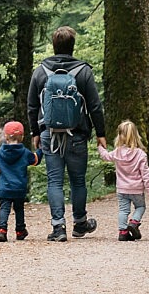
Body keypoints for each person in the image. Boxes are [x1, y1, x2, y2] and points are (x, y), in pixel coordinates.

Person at [25, 25, 107, 240]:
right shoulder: (83, 71)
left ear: (54, 46)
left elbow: (32, 105)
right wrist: (101, 133)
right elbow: (95, 106)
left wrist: (35, 131)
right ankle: (80, 224)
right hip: (78, 133)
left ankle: (58, 227)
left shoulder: (41, 71)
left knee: (54, 181)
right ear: (72, 46)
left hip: (49, 133)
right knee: (77, 180)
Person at [97, 120, 149, 240]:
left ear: (120, 137)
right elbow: (145, 173)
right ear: (136, 136)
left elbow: (106, 156)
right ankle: (134, 222)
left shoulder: (117, 152)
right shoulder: (140, 154)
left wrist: (100, 147)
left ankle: (123, 232)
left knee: (123, 210)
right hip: (136, 189)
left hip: (122, 189)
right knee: (140, 207)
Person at [0, 120, 40, 242]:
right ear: (22, 137)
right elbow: (35, 160)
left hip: (4, 187)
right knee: (19, 209)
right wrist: (41, 150)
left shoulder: (1, 152)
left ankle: (2, 230)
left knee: (4, 208)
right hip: (19, 188)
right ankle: (20, 230)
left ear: (5, 136)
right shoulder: (24, 152)